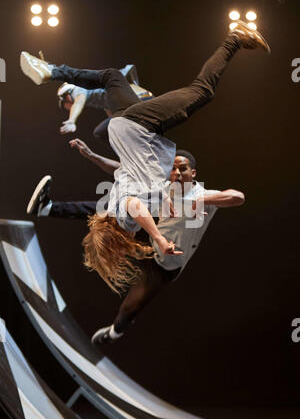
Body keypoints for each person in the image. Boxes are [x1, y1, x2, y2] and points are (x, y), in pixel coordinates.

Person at [21, 20, 270, 297]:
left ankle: (234, 38)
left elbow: (135, 204)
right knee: (112, 77)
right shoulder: (112, 208)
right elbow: (121, 172)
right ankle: (54, 71)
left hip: (139, 130)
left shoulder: (125, 216)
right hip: (121, 132)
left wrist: (159, 237)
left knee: (202, 91)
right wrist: (92, 155)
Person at [27, 141, 244, 344]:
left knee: (131, 306)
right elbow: (122, 171)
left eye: (183, 169)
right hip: (149, 234)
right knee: (111, 208)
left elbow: (237, 196)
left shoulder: (205, 194)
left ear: (193, 173)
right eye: (173, 169)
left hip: (166, 262)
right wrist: (91, 155)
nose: (177, 174)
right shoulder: (164, 185)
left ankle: (115, 332)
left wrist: (201, 200)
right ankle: (47, 208)